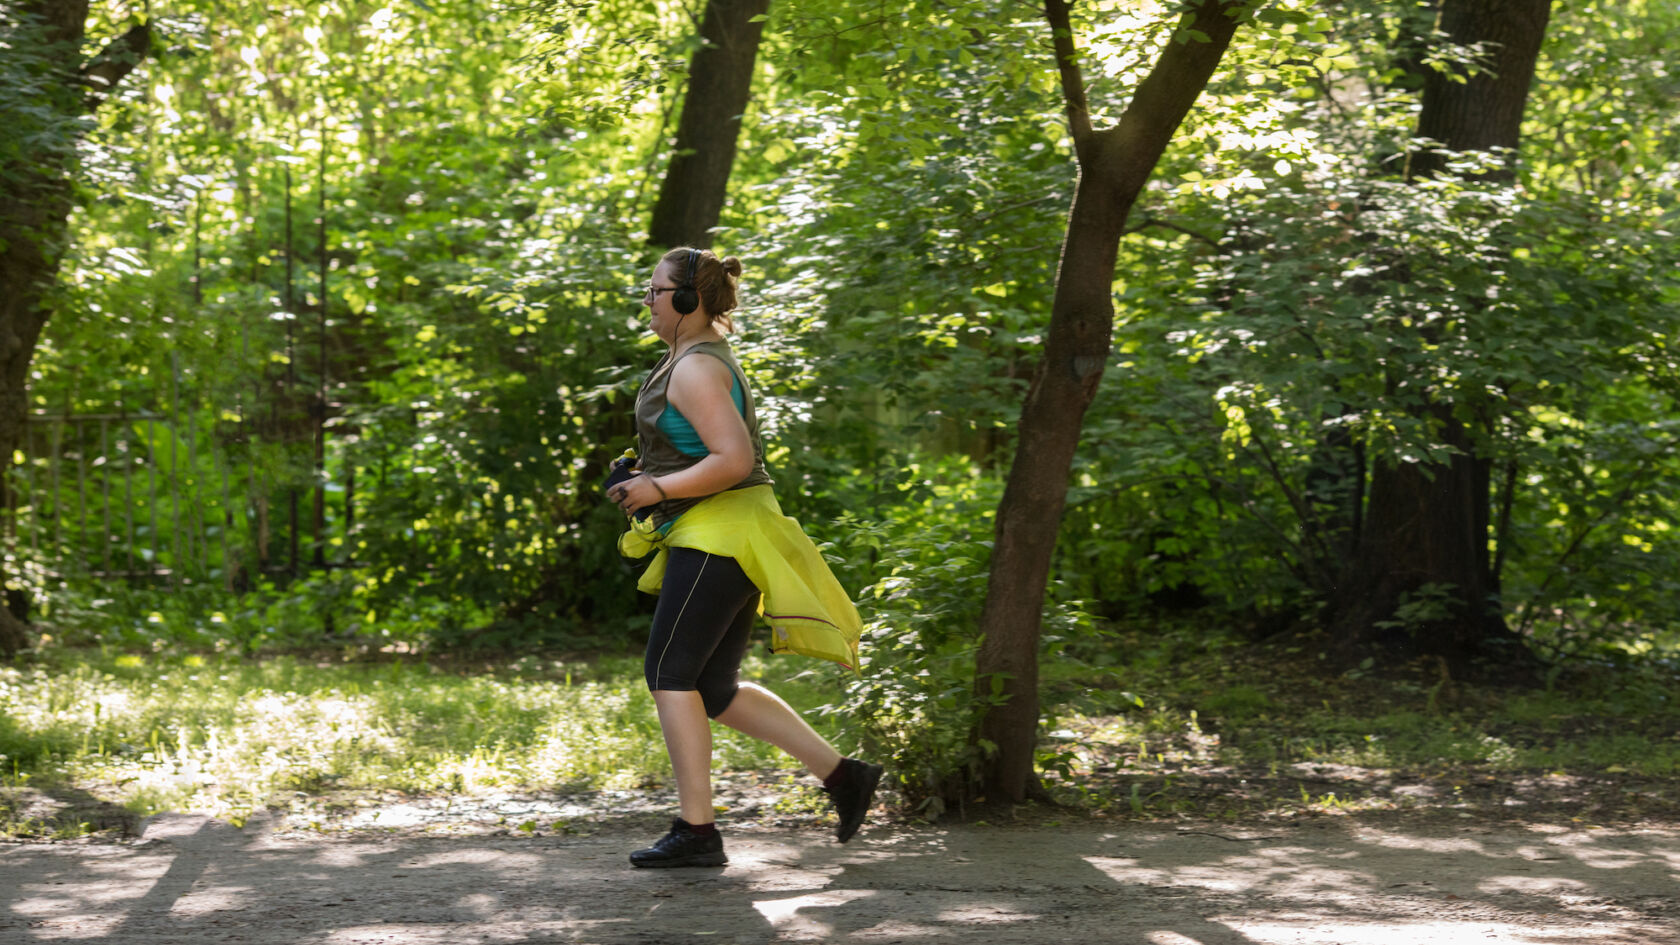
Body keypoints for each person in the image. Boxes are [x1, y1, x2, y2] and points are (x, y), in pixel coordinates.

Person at [606, 247, 883, 869]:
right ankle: (844, 777)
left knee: (670, 674)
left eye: (654, 291)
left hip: (721, 534)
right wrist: (645, 472)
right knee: (714, 687)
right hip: (727, 529)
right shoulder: (686, 359)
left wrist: (658, 488)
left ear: (686, 300)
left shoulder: (696, 368)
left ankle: (697, 832)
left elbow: (731, 459)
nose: (646, 301)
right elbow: (700, 450)